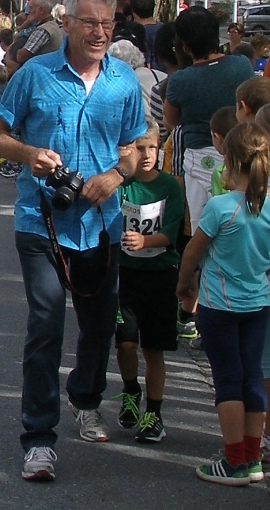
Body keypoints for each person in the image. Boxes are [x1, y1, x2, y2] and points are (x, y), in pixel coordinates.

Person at [0, 0, 144, 482]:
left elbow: (142, 144)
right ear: (68, 23)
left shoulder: (123, 81)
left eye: (106, 24)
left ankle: (87, 398)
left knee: (99, 325)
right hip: (42, 220)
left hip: (101, 223)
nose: (99, 33)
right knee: (47, 324)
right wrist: (29, 154)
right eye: (90, 22)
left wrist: (117, 175)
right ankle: (38, 438)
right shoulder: (35, 73)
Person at [177, 122, 270, 485]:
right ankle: (251, 457)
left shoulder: (221, 207)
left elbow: (193, 251)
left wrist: (185, 286)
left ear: (229, 161)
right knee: (253, 381)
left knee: (227, 381)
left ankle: (233, 461)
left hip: (219, 307)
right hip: (258, 305)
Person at [114, 119, 183, 444]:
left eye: (152, 147)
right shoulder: (122, 185)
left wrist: (147, 242)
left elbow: (171, 234)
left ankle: (154, 413)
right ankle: (130, 390)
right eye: (138, 148)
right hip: (125, 277)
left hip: (159, 277)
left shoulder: (169, 187)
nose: (146, 154)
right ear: (126, 150)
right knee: (126, 343)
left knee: (154, 349)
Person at [164, 7, 254, 232]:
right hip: (243, 153)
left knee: (202, 226)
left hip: (199, 157)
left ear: (184, 44)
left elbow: (172, 121)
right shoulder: (242, 64)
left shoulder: (181, 80)